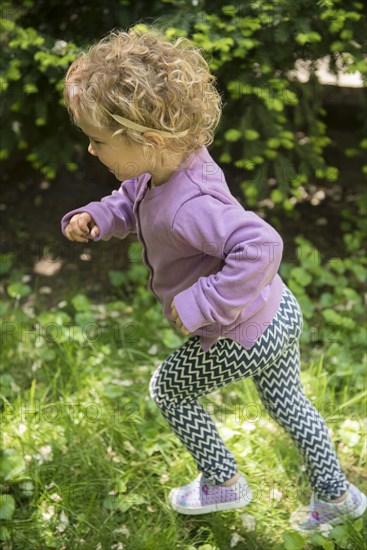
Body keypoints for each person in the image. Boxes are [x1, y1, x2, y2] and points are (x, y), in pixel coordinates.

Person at [60, 25, 366, 531]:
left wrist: (202, 305)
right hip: (276, 310)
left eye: (97, 141)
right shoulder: (166, 168)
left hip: (240, 331)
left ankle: (222, 480)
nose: (92, 152)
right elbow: (132, 201)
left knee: (170, 389)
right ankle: (337, 496)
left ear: (148, 141)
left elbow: (263, 245)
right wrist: (98, 216)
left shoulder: (191, 205)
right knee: (289, 405)